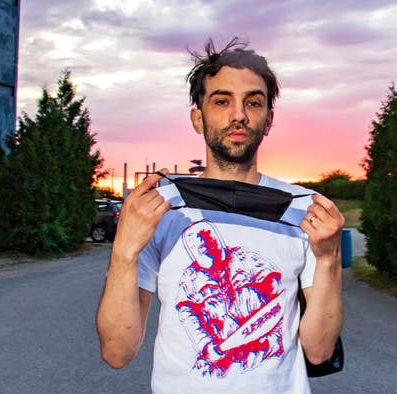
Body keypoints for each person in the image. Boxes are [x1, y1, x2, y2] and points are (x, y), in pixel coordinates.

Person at [95, 38, 344, 393]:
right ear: (198, 118)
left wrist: (329, 257)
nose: (238, 114)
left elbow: (319, 351)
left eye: (253, 102)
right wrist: (124, 250)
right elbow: (118, 352)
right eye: (222, 101)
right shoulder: (162, 210)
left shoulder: (303, 209)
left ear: (269, 120)